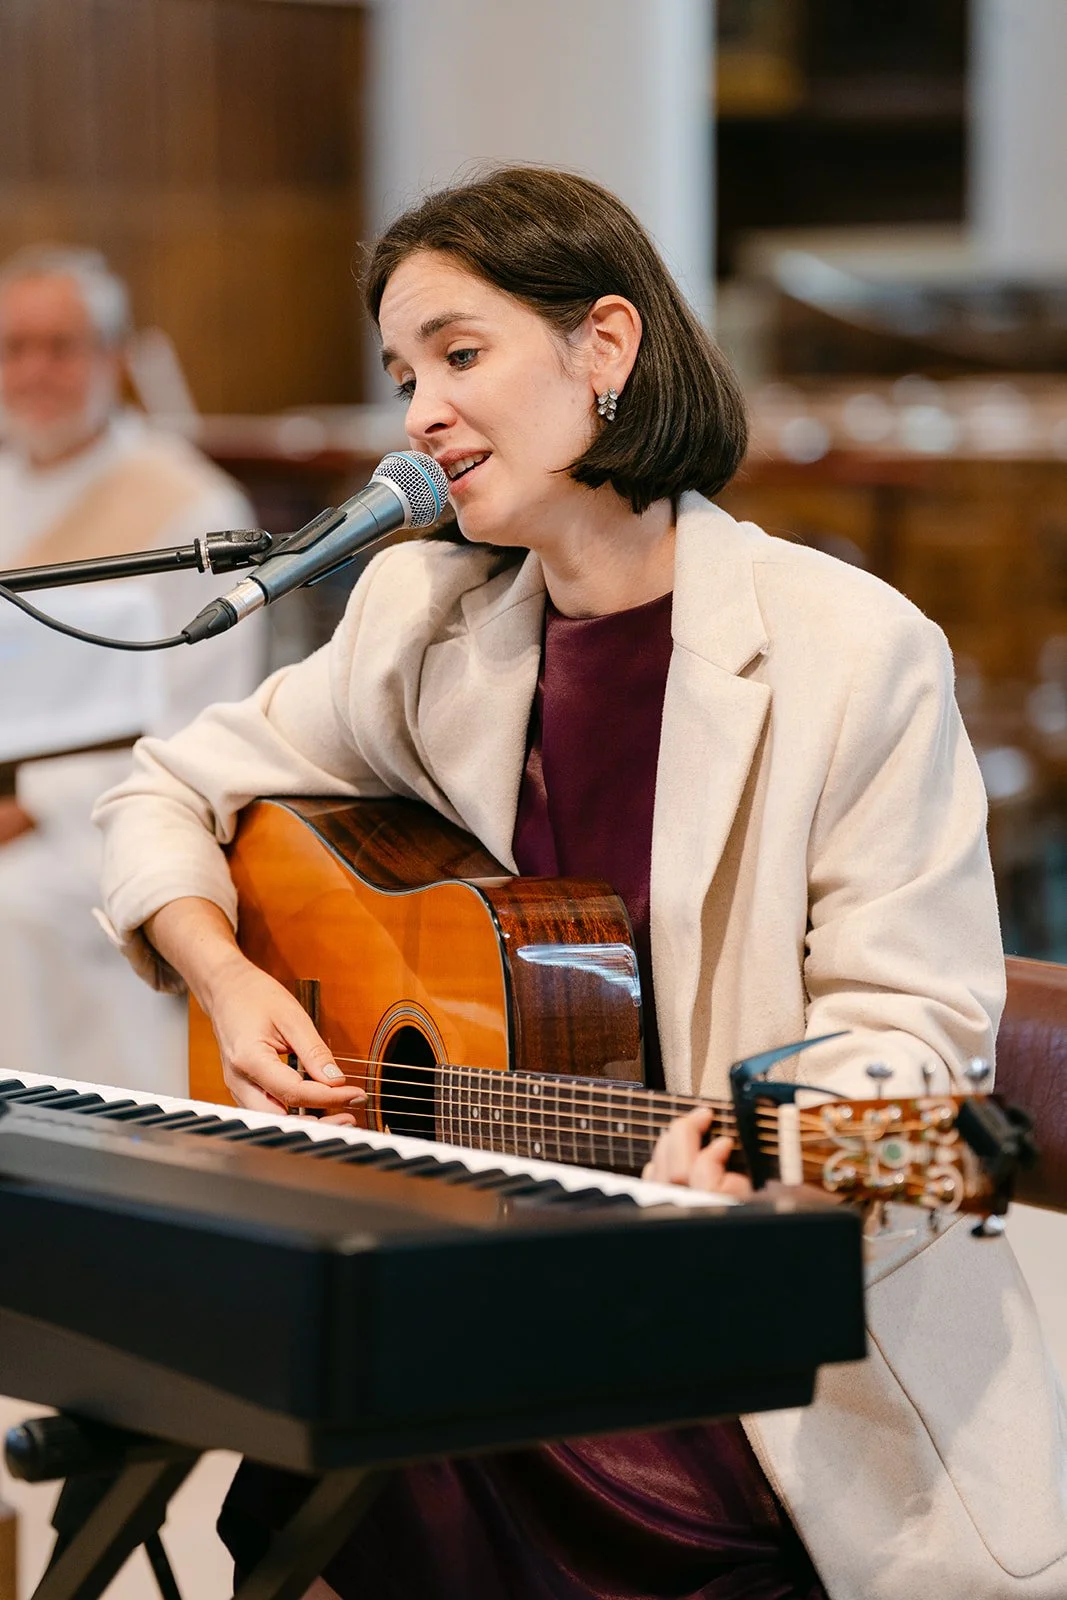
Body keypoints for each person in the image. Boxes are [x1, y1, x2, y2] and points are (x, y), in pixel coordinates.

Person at [93, 169, 1067, 1598]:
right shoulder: (427, 618)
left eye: (458, 354)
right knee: (315, 1399)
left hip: (763, 1335)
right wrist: (230, 979)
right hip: (502, 1260)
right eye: (401, 373)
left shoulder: (848, 650)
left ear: (603, 348)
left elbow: (913, 1029)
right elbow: (162, 787)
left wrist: (760, 1143)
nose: (416, 411)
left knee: (385, 1411)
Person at [0, 245, 264, 1093]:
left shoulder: (188, 508)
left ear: (114, 357)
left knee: (15, 912)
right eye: (14, 347)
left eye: (61, 346)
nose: (35, 370)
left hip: (93, 821)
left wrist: (26, 807)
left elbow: (195, 716)